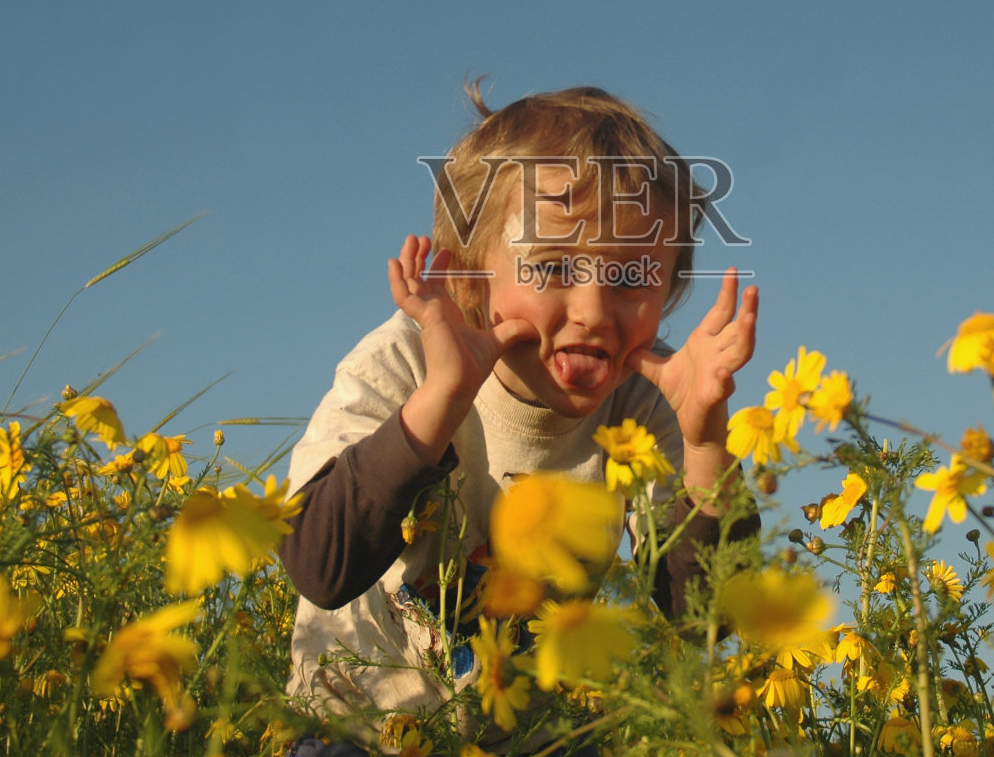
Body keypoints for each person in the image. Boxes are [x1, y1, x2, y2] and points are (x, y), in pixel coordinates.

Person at [280, 85, 760, 754]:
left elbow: (705, 617)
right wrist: (440, 400)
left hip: (530, 740)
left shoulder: (645, 405)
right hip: (358, 729)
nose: (593, 310)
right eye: (554, 266)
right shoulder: (404, 362)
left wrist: (706, 443)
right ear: (468, 280)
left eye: (631, 278)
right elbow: (318, 565)